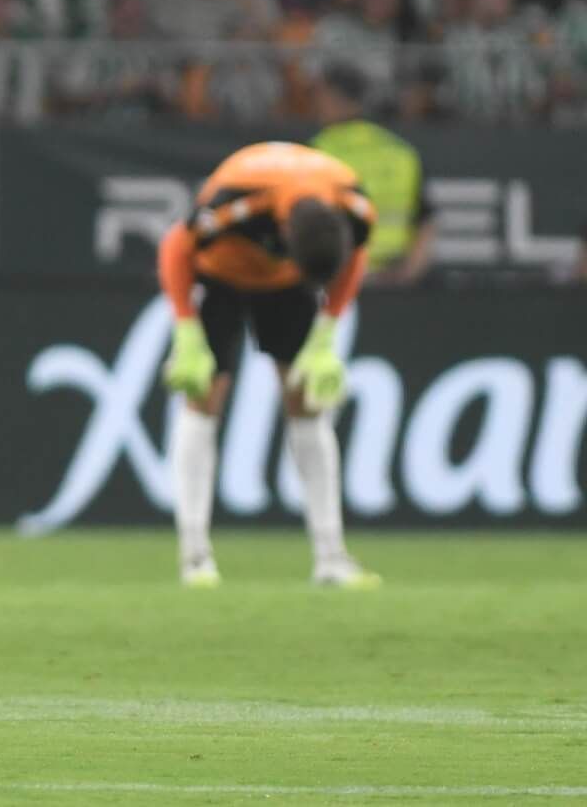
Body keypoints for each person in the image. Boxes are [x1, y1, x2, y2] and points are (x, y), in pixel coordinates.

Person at [156, 142, 382, 590]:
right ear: (281, 232)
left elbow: (354, 256)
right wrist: (185, 327)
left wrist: (327, 329)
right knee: (204, 398)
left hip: (286, 288)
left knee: (308, 402)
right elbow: (176, 246)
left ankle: (331, 557)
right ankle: (195, 556)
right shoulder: (237, 202)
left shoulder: (354, 207)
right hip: (219, 274)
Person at [312, 65, 435, 286]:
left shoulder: (316, 153)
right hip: (394, 282)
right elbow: (426, 221)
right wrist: (407, 276)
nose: (315, 105)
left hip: (339, 281)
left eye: (319, 96)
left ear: (332, 97)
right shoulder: (401, 152)